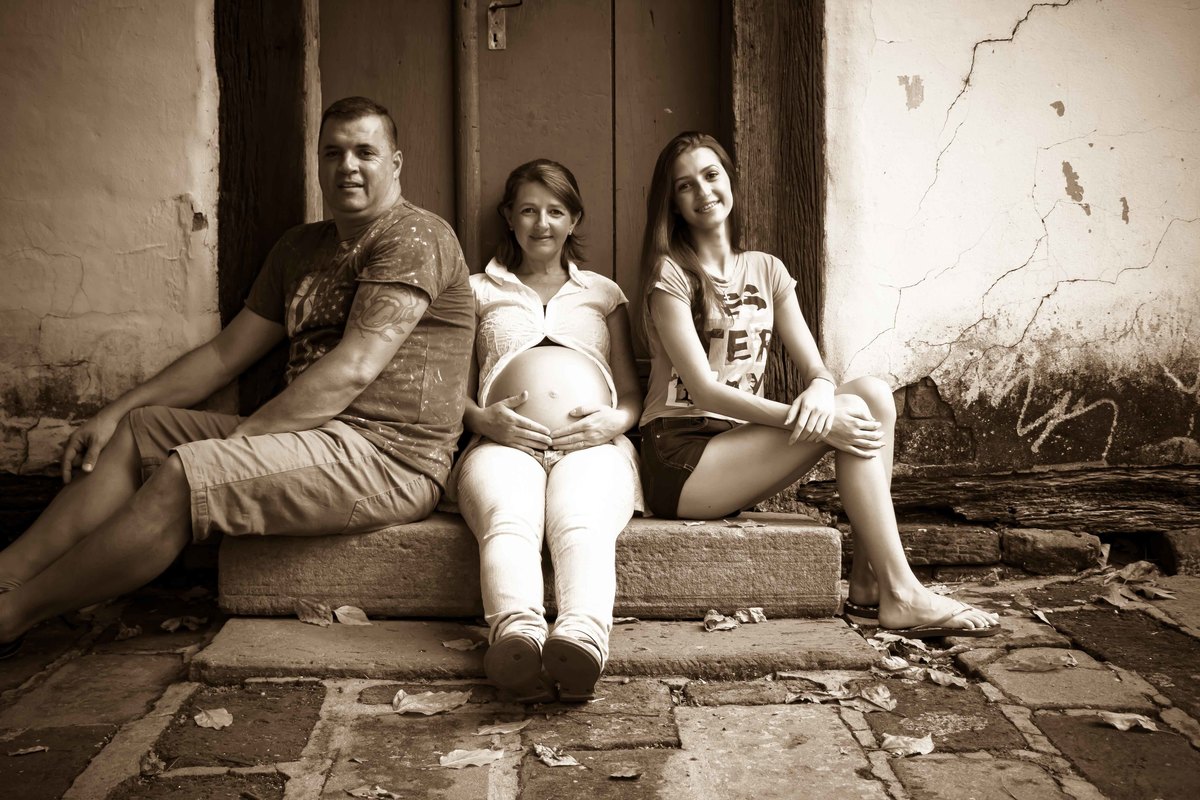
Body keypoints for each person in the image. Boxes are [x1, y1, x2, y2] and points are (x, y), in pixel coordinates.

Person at [0, 96, 475, 658]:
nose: (347, 166)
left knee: (189, 472)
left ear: (394, 163)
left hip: (387, 457)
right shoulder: (299, 247)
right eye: (333, 152)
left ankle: (12, 616)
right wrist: (113, 411)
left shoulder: (415, 236)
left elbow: (353, 369)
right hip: (308, 438)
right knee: (139, 431)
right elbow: (225, 357)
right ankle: (7, 574)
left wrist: (241, 440)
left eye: (364, 152)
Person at [636, 131, 999, 639]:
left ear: (730, 180)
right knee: (855, 412)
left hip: (735, 446)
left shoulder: (767, 269)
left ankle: (869, 583)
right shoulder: (671, 274)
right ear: (673, 203)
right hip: (680, 457)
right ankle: (902, 592)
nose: (703, 192)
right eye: (685, 185)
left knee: (872, 394)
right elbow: (705, 391)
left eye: (711, 175)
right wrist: (815, 421)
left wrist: (823, 391)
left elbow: (817, 368)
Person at [454, 159, 641, 701]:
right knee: (508, 519)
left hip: (592, 445)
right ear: (508, 217)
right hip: (500, 443)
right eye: (529, 210)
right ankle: (517, 636)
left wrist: (614, 422)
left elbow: (632, 394)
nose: (542, 223)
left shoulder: (603, 293)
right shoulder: (476, 290)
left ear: (574, 220)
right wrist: (482, 420)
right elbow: (452, 391)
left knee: (582, 522)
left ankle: (581, 640)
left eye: (556, 211)